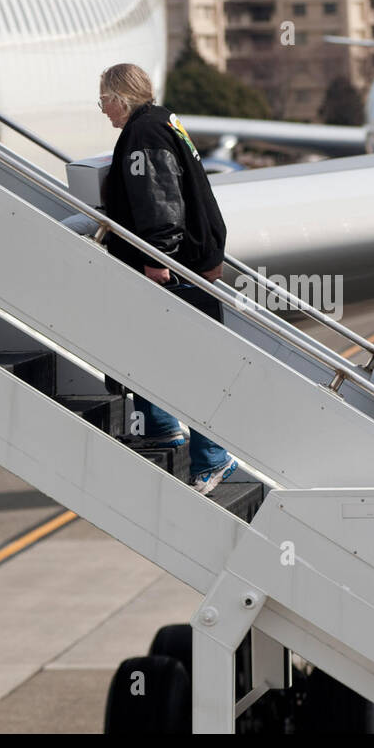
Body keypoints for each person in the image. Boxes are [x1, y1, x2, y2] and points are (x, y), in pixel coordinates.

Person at [98, 63, 237, 496]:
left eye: (103, 100)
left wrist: (158, 258)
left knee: (185, 360)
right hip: (196, 259)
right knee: (146, 348)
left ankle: (213, 458)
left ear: (120, 98)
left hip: (172, 265)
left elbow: (160, 201)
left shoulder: (143, 135)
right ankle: (161, 426)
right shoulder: (166, 122)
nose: (102, 110)